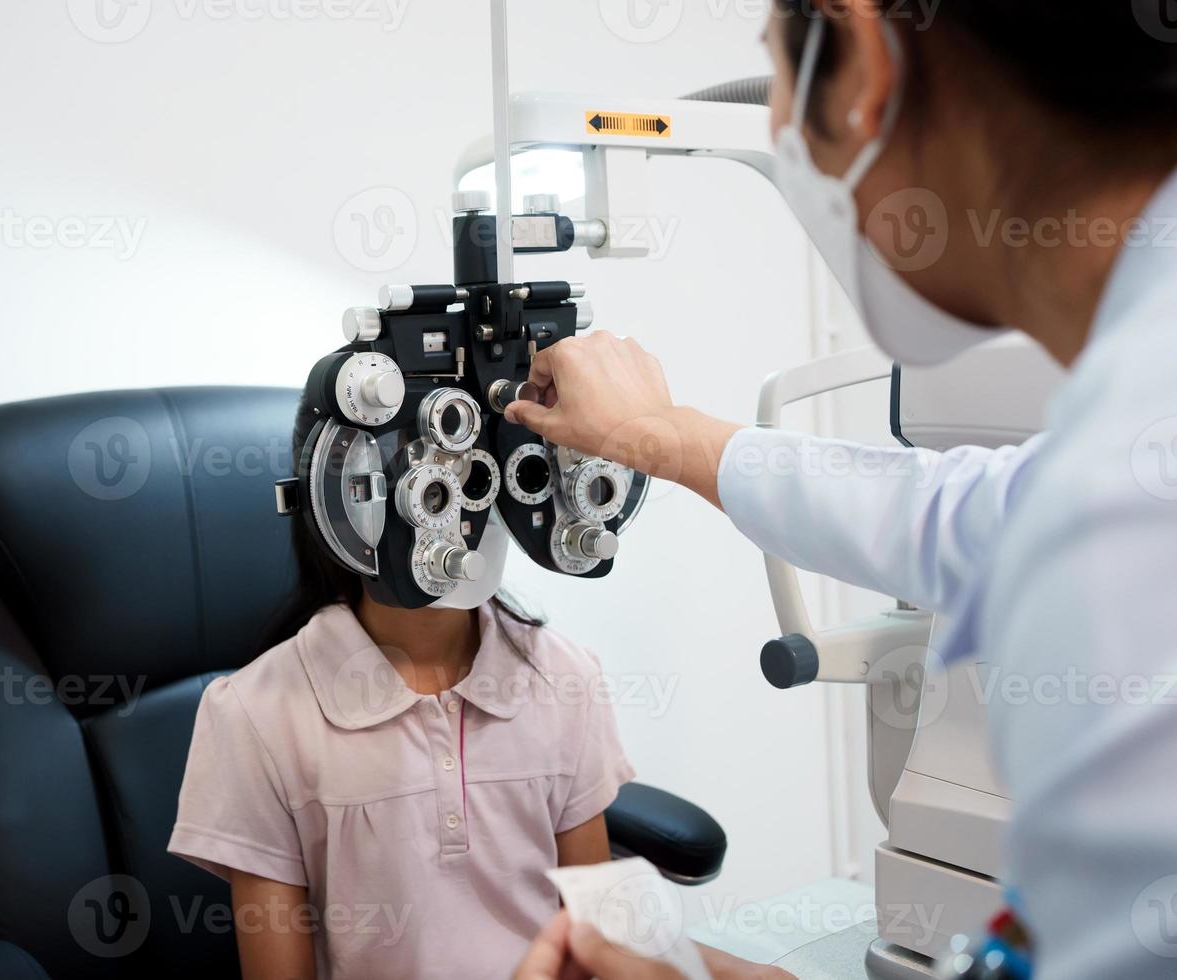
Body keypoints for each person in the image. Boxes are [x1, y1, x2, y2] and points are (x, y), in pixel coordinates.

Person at [507, 0, 1177, 977]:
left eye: (770, 69)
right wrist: (660, 435)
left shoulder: (1116, 527)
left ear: (859, 59)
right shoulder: (1125, 445)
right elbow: (960, 513)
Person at [167, 399, 637, 979]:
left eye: (484, 472)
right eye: (437, 485)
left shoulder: (565, 679)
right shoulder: (256, 715)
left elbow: (598, 945)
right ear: (346, 495)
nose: (465, 510)